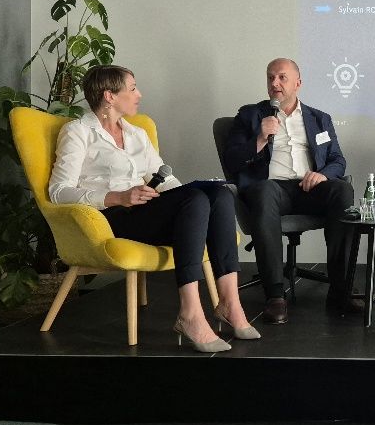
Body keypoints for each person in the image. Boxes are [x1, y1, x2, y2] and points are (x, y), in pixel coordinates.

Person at [49, 65, 258, 353]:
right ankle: (190, 313)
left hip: (145, 213)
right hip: (111, 218)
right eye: (132, 88)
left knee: (217, 195)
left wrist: (190, 194)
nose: (139, 94)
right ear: (109, 96)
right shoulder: (78, 132)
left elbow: (166, 181)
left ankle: (230, 304)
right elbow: (59, 191)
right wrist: (117, 197)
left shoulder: (136, 134)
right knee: (196, 200)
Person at [223, 58, 359, 323]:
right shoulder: (250, 115)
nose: (275, 83)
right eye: (270, 77)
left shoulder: (319, 119)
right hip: (271, 189)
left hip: (309, 187)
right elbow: (232, 160)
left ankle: (341, 290)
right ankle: (275, 295)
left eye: (282, 77)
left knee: (342, 190)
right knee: (264, 191)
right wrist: (260, 139)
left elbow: (338, 160)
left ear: (298, 83)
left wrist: (322, 175)